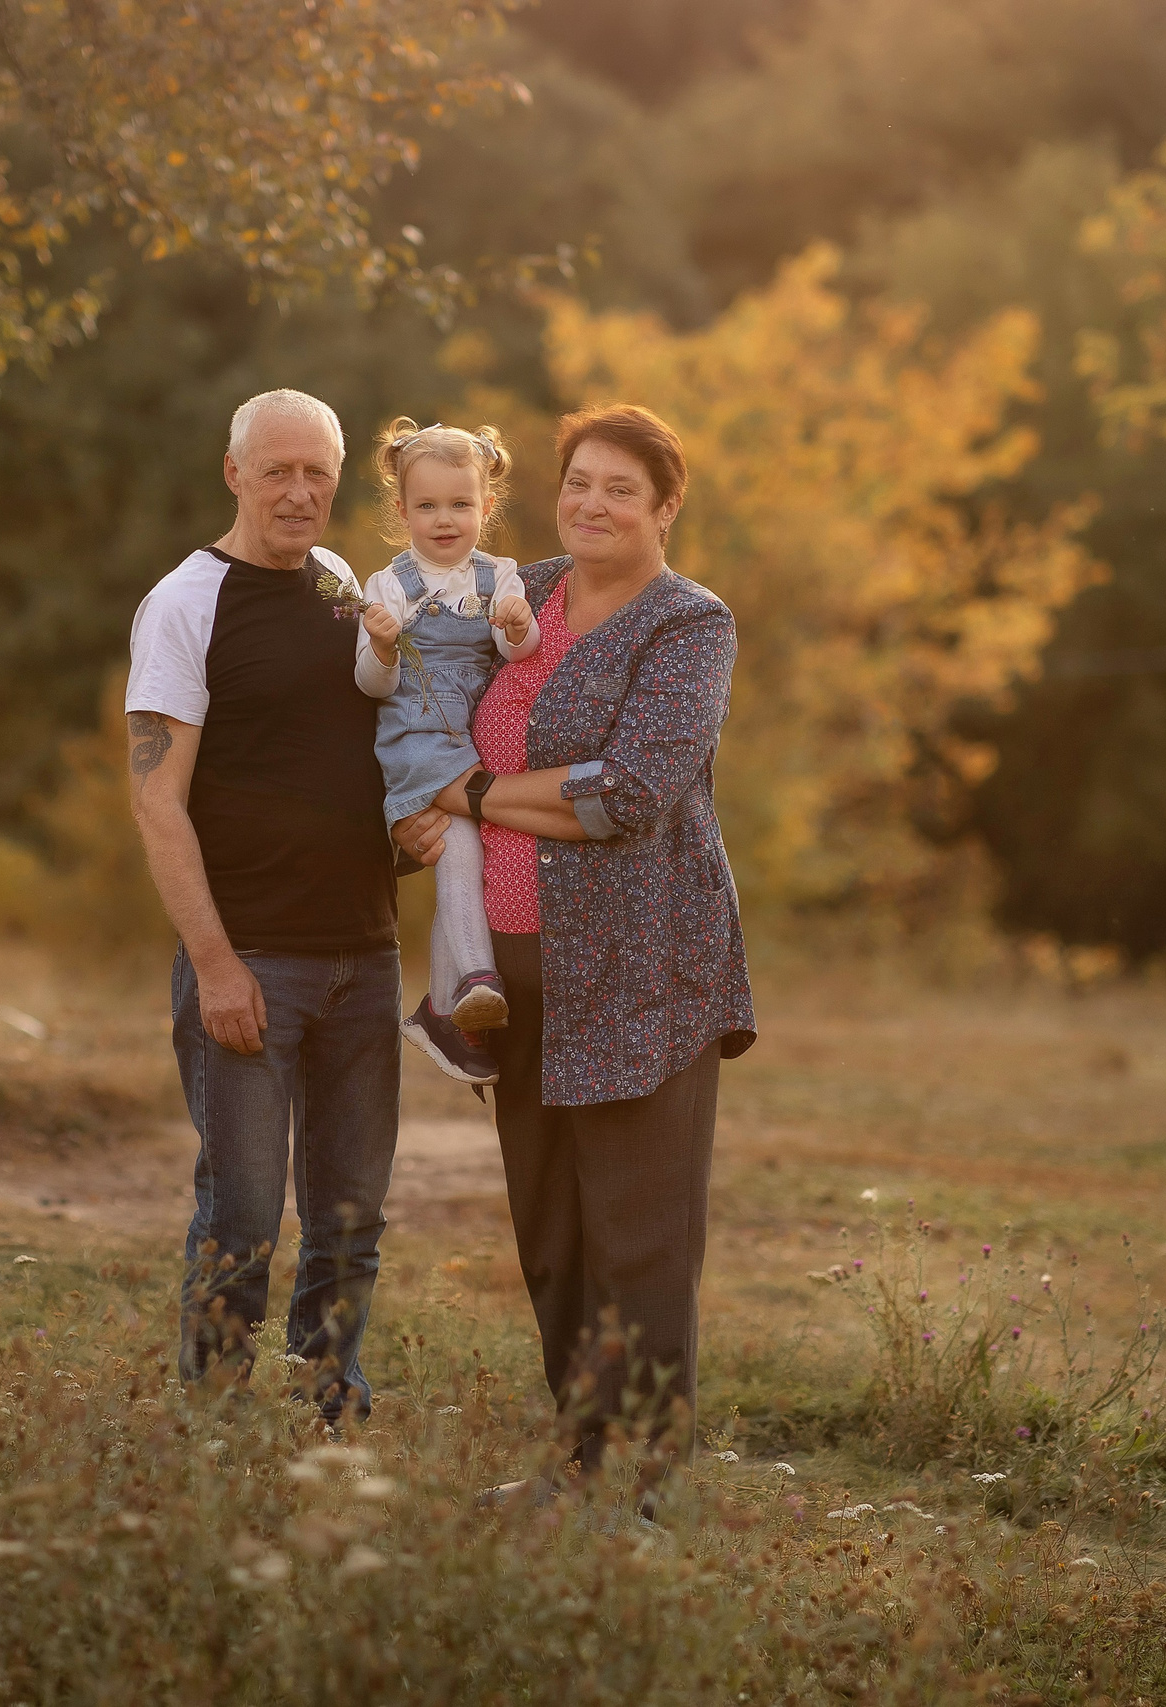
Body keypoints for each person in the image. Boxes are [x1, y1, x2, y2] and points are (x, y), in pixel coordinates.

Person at [394, 403, 756, 1498]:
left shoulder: (687, 625)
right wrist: (423, 799)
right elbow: (428, 701)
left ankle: (639, 1490)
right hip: (510, 974)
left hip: (644, 973)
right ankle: (579, 1465)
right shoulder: (522, 591)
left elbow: (630, 793)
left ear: (664, 507)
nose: (594, 503)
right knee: (552, 1236)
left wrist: (478, 794)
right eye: (581, 482)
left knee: (637, 1242)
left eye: (622, 490)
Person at [124, 387, 400, 1426]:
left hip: (362, 955)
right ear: (233, 473)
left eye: (316, 472)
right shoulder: (185, 603)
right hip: (252, 962)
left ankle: (328, 1398)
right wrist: (216, 961)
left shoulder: (338, 586)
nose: (298, 491)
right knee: (241, 1215)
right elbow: (158, 804)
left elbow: (350, 752)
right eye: (276, 469)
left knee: (349, 1216)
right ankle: (217, 1415)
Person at [352, 418, 541, 1088]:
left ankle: (442, 1005)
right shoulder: (389, 586)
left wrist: (520, 626)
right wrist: (378, 646)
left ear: (486, 508)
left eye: (460, 504)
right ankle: (475, 977)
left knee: (474, 847)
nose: (443, 519)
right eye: (426, 505)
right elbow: (373, 685)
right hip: (420, 737)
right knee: (460, 846)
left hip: (477, 738)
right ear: (401, 510)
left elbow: (520, 650)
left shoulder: (501, 576)